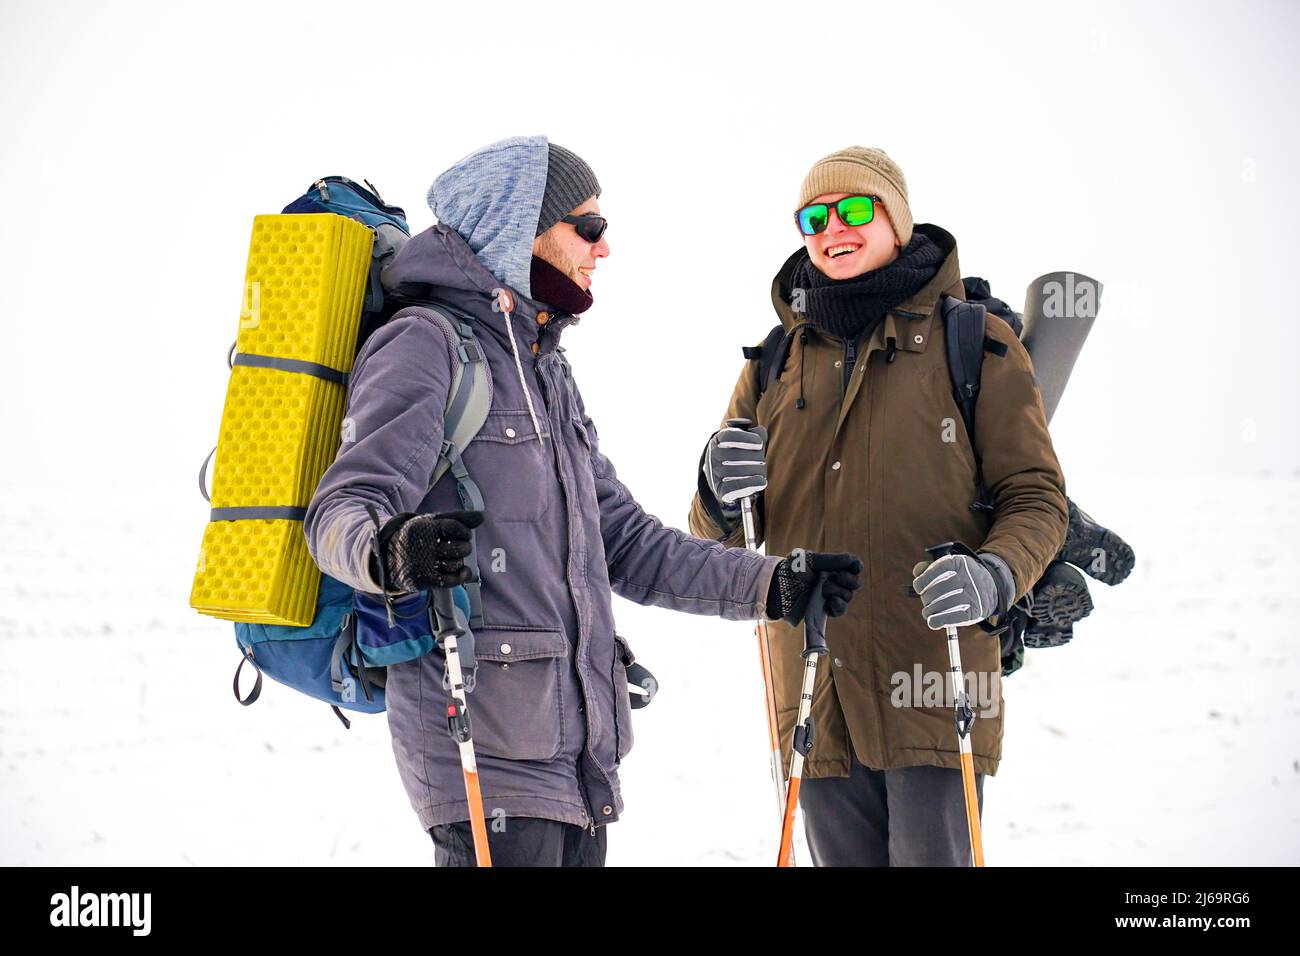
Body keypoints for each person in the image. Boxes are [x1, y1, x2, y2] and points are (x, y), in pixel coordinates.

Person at [304, 136, 862, 867]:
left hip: (575, 757)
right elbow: (343, 508)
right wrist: (393, 549)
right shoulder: (425, 344)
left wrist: (772, 583)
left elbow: (625, 542)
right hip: (480, 745)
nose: (603, 249)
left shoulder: (542, 367)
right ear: (518, 229)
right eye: (587, 228)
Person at [688, 146, 1068, 866]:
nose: (835, 226)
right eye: (815, 216)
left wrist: (995, 573)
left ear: (895, 217)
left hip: (935, 672)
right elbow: (721, 539)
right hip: (812, 691)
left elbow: (1037, 496)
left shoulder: (973, 342)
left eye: (856, 209)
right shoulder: (772, 361)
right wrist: (714, 488)